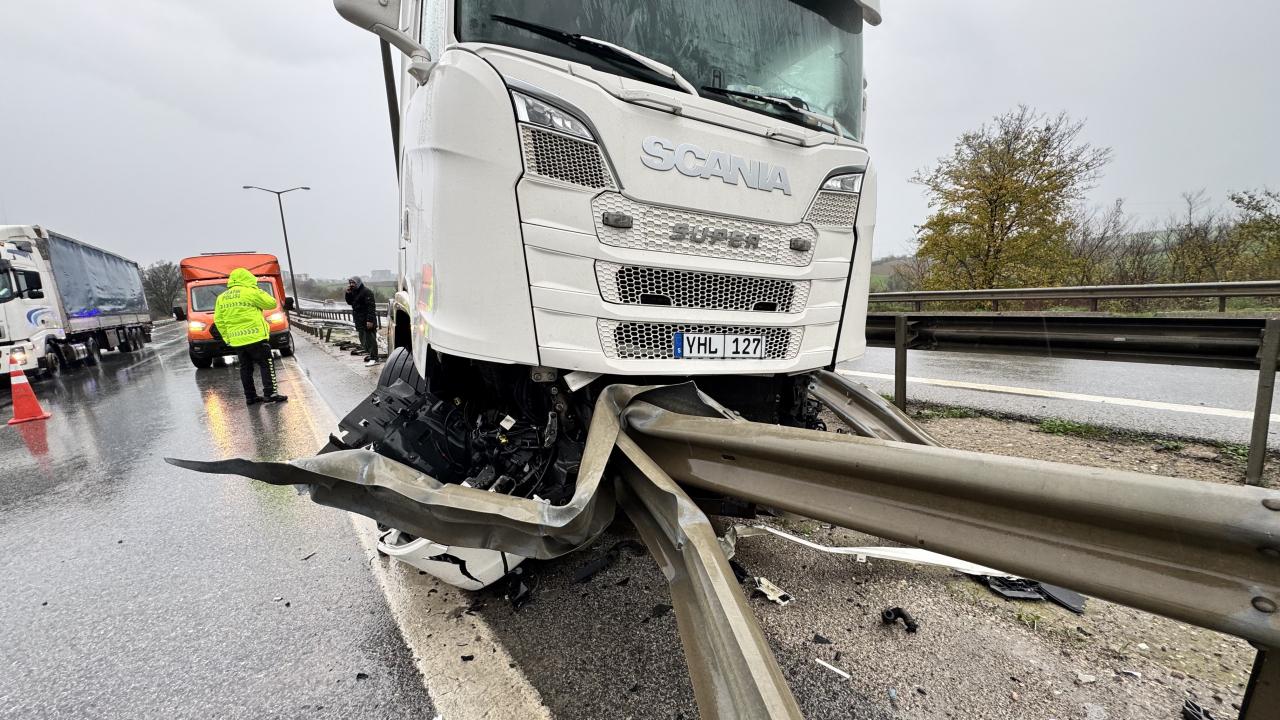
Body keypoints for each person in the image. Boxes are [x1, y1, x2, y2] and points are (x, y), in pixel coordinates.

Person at [213, 268, 287, 405]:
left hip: (237, 340)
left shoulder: (221, 298)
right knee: (266, 365)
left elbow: (219, 321)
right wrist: (257, 289)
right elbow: (271, 303)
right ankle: (270, 394)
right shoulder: (251, 292)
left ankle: (250, 397)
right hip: (256, 338)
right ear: (248, 279)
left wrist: (227, 338)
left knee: (245, 368)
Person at [345, 276, 380, 366]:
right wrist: (348, 294)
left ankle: (374, 358)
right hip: (359, 320)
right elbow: (350, 302)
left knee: (370, 340)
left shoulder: (366, 292)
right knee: (363, 340)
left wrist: (370, 320)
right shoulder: (354, 292)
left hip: (367, 320)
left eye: (353, 283)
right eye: (350, 283)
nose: (352, 284)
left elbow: (371, 307)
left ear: (358, 282)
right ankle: (371, 355)